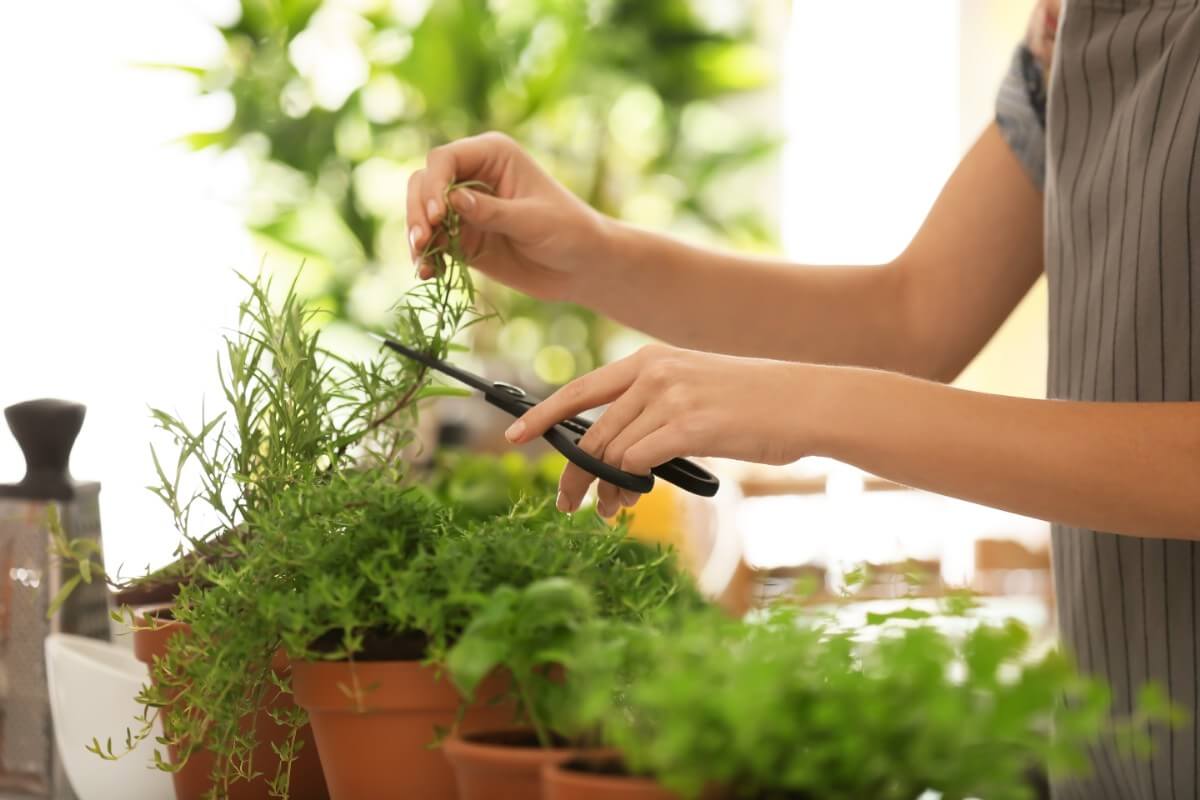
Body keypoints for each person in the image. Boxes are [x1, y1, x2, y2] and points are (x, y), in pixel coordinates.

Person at [407, 1, 1198, 796]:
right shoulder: (1070, 23)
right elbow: (914, 316)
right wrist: (591, 257)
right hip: (1114, 755)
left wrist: (805, 407)